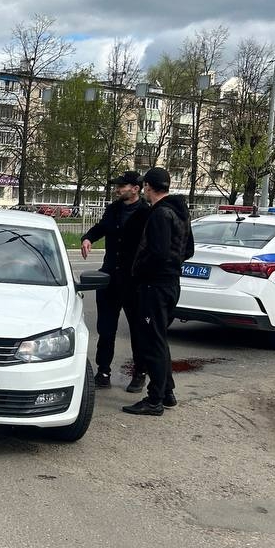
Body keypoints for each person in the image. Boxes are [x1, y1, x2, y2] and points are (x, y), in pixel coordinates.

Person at [125, 167, 195, 416]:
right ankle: (167, 393)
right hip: (170, 284)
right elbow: (189, 250)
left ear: (148, 187)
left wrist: (140, 271)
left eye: (144, 186)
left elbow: (158, 251)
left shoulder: (159, 214)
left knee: (151, 342)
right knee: (159, 339)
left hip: (154, 286)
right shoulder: (180, 212)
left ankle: (154, 400)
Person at [80, 171, 150, 392]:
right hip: (110, 277)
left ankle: (139, 372)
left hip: (134, 281)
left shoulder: (147, 213)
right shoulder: (114, 209)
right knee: (106, 328)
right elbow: (102, 227)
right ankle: (103, 371)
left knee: (138, 329)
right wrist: (88, 237)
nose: (118, 189)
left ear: (136, 188)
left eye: (122, 186)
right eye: (118, 186)